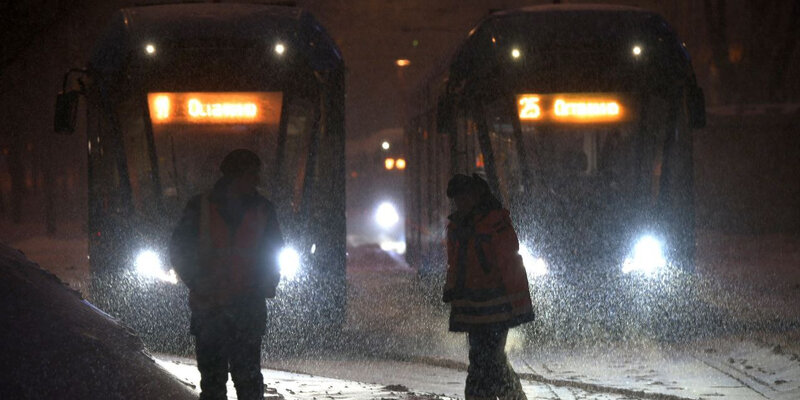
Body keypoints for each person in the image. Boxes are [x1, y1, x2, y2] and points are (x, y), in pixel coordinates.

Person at [169, 149, 284, 400]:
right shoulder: (201, 207)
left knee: (245, 380)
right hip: (215, 308)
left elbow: (274, 251)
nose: (256, 180)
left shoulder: (262, 209)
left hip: (238, 308)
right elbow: (179, 249)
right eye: (251, 174)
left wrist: (269, 279)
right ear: (235, 176)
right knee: (216, 382)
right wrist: (198, 281)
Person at [444, 173, 534, 400]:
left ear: (474, 197)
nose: (459, 204)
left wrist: (519, 305)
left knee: (486, 360)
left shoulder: (493, 224)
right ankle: (512, 397)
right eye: (457, 200)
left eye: (462, 198)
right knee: (489, 360)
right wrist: (451, 288)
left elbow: (510, 264)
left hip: (495, 308)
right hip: (476, 310)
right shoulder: (461, 227)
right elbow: (454, 264)